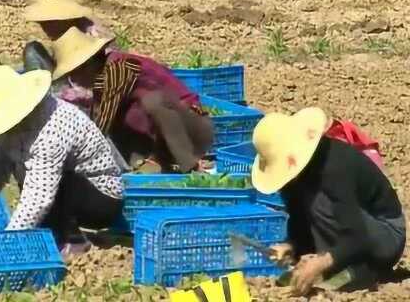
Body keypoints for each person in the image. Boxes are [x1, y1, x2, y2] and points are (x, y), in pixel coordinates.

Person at [0, 66, 124, 255]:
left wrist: (9, 241)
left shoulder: (52, 127)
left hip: (100, 198)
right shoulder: (10, 126)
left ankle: (72, 240)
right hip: (58, 197)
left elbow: (40, 193)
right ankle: (50, 233)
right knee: (30, 176)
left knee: (61, 182)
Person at [251, 108, 406, 296]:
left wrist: (321, 263)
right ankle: (338, 263)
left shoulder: (335, 167)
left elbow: (356, 236)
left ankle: (362, 271)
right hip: (353, 233)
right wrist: (291, 246)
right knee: (313, 202)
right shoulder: (296, 179)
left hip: (385, 234)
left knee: (319, 203)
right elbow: (299, 218)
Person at [50, 27, 214, 173]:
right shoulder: (105, 73)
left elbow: (100, 127)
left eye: (74, 72)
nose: (73, 79)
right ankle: (156, 161)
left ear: (89, 64)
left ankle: (182, 162)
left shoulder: (117, 69)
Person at [24, 0, 114, 41]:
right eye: (42, 23)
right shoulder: (66, 35)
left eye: (49, 22)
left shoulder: (92, 34)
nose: (46, 28)